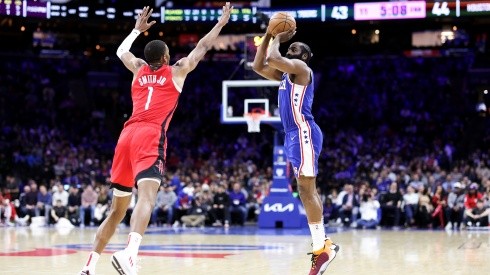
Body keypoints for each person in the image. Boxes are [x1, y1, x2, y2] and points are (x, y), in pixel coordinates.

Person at [79, 3, 233, 274]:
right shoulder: (177, 71)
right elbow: (202, 47)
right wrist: (220, 24)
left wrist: (136, 30)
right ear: (165, 58)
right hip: (150, 134)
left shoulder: (138, 68)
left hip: (126, 136)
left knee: (116, 211)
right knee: (147, 197)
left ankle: (88, 267)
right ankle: (130, 254)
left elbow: (121, 51)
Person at [252, 25, 339, 275]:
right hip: (293, 134)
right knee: (306, 189)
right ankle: (323, 247)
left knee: (305, 188)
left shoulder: (302, 69)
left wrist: (276, 37)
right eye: (290, 45)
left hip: (304, 131)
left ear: (303, 56)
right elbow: (259, 65)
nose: (291, 48)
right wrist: (268, 36)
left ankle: (322, 248)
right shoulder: (283, 76)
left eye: (295, 48)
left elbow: (273, 57)